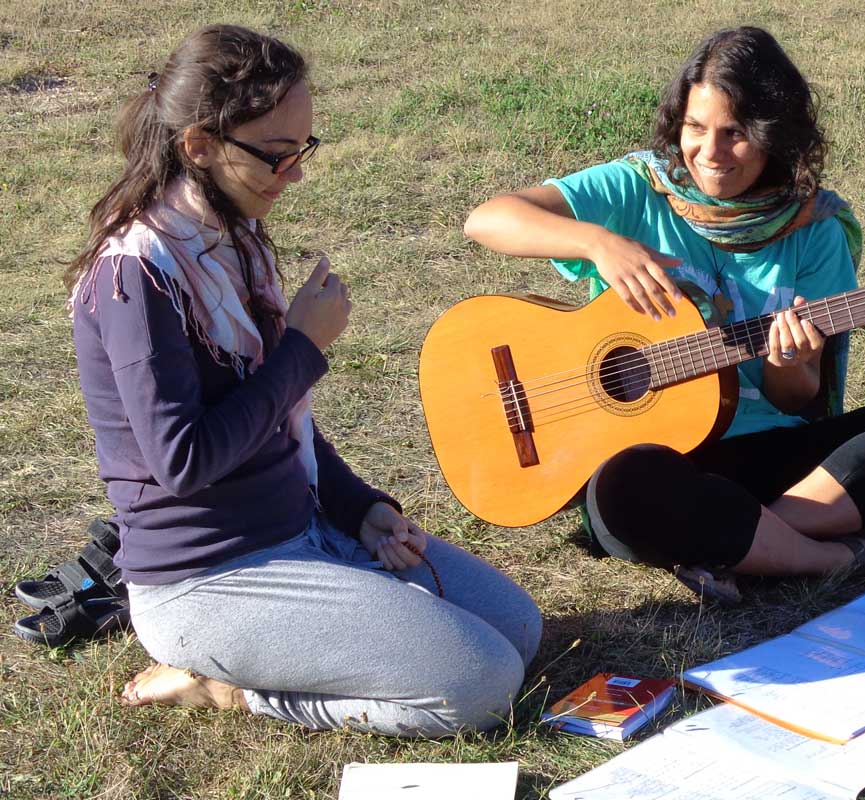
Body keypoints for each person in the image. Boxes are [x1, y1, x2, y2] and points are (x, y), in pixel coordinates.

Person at [66, 24, 541, 735]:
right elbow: (183, 461)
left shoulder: (230, 236)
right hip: (207, 580)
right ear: (199, 146)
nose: (295, 175)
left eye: (302, 150)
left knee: (520, 629)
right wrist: (302, 347)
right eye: (278, 156)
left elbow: (281, 415)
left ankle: (314, 604)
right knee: (482, 686)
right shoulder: (137, 276)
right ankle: (230, 688)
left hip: (303, 529)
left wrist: (357, 507)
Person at [463, 26, 865, 603]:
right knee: (623, 491)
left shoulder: (814, 228)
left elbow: (795, 400)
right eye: (696, 128)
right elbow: (488, 219)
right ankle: (836, 555)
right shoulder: (638, 187)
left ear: (775, 137)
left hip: (765, 453)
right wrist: (599, 243)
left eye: (736, 135)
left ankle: (743, 543)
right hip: (659, 460)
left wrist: (792, 362)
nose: (710, 153)